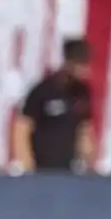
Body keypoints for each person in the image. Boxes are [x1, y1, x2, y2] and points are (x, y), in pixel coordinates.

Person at [10, 38, 95, 173]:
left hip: (69, 171)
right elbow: (22, 127)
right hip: (41, 170)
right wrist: (27, 165)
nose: (86, 70)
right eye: (82, 64)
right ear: (70, 63)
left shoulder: (82, 93)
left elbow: (84, 129)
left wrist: (89, 161)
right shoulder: (43, 90)